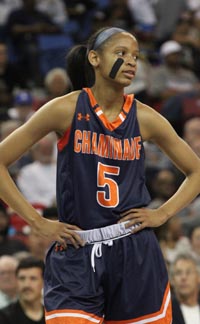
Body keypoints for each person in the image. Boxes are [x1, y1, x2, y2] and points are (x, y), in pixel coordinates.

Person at [0, 26, 200, 324]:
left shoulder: (145, 116)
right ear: (94, 58)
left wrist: (163, 213)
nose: (132, 62)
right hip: (77, 248)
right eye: (121, 53)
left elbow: (196, 170)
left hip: (134, 249)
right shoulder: (65, 109)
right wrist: (36, 221)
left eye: (135, 56)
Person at [0, 256, 45, 324]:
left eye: (33, 278)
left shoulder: (53, 316)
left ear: (44, 282)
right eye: (22, 278)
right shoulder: (4, 317)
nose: (26, 284)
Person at [170, 253, 200, 324]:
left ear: (198, 277)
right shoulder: (166, 314)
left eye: (188, 272)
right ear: (172, 280)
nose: (183, 277)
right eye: (178, 273)